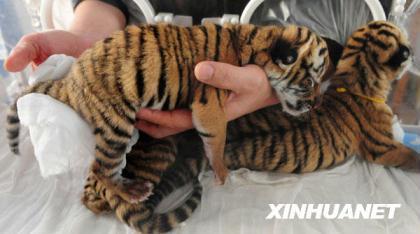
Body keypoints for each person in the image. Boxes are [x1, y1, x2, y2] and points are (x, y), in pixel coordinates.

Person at [4, 0, 278, 138]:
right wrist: (88, 37)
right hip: (135, 109)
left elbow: (318, 25)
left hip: (277, 117)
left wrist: (276, 87)